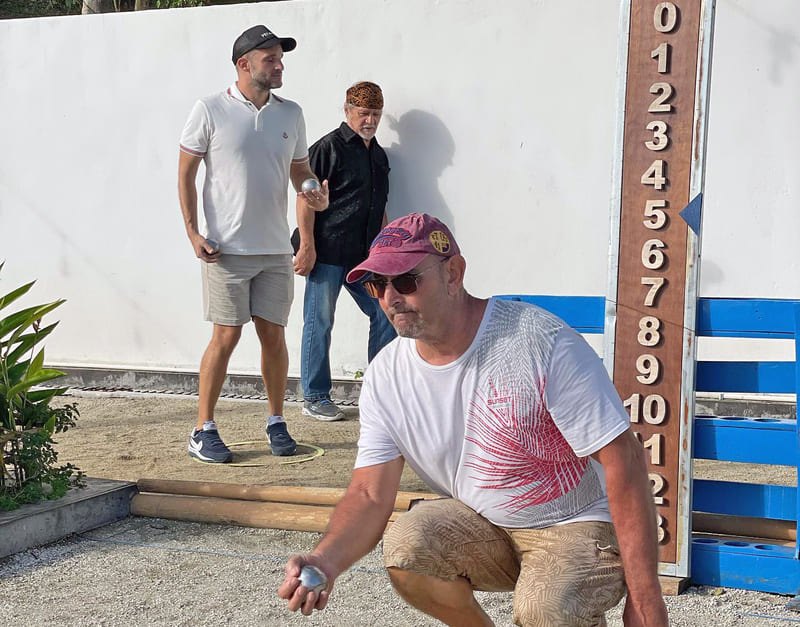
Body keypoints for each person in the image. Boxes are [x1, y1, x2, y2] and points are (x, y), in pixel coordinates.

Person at [278, 213, 669, 626]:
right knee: (408, 546)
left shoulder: (539, 344)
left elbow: (623, 459)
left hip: (576, 523)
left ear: (454, 273)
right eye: (377, 284)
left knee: (545, 609)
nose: (391, 297)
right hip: (488, 525)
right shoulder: (386, 375)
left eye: (407, 280)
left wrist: (645, 601)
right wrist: (325, 559)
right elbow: (370, 495)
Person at [178, 25, 329, 462]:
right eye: (271, 59)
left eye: (281, 58)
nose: (280, 65)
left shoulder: (291, 113)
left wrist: (312, 187)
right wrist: (193, 233)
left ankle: (276, 421)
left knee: (274, 338)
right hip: (224, 249)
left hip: (275, 250)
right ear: (244, 64)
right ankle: (203, 429)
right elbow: (186, 173)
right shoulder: (208, 109)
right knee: (225, 337)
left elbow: (300, 170)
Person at [293, 81, 396, 421]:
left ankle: (380, 392)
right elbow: (305, 199)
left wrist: (383, 253)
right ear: (347, 110)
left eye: (376, 114)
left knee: (385, 312)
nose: (370, 120)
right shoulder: (327, 148)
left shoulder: (378, 155)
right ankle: (315, 396)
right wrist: (307, 246)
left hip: (364, 257)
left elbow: (378, 205)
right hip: (327, 252)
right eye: (364, 113)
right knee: (319, 321)